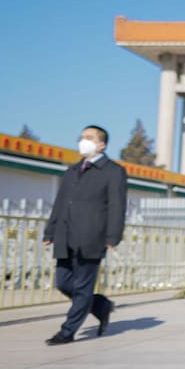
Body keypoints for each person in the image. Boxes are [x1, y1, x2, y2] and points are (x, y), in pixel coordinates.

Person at [42, 124, 127, 345]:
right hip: (65, 235)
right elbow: (60, 203)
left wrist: (112, 236)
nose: (83, 141)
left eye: (88, 138)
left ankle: (67, 331)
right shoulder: (72, 171)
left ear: (101, 144)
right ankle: (99, 305)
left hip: (92, 236)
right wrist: (50, 231)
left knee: (82, 287)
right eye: (81, 137)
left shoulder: (113, 172)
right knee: (63, 283)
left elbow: (118, 206)